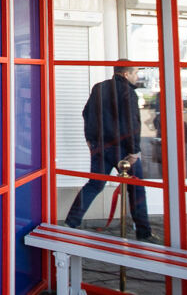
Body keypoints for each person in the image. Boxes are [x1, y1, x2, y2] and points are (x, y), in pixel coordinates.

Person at [64, 64, 155, 242]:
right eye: (136, 73)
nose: (137, 77)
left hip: (100, 147)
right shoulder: (129, 92)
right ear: (126, 73)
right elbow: (132, 123)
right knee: (136, 189)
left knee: (94, 185)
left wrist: (90, 140)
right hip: (123, 150)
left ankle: (70, 223)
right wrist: (134, 150)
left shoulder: (99, 88)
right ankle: (144, 233)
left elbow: (86, 113)